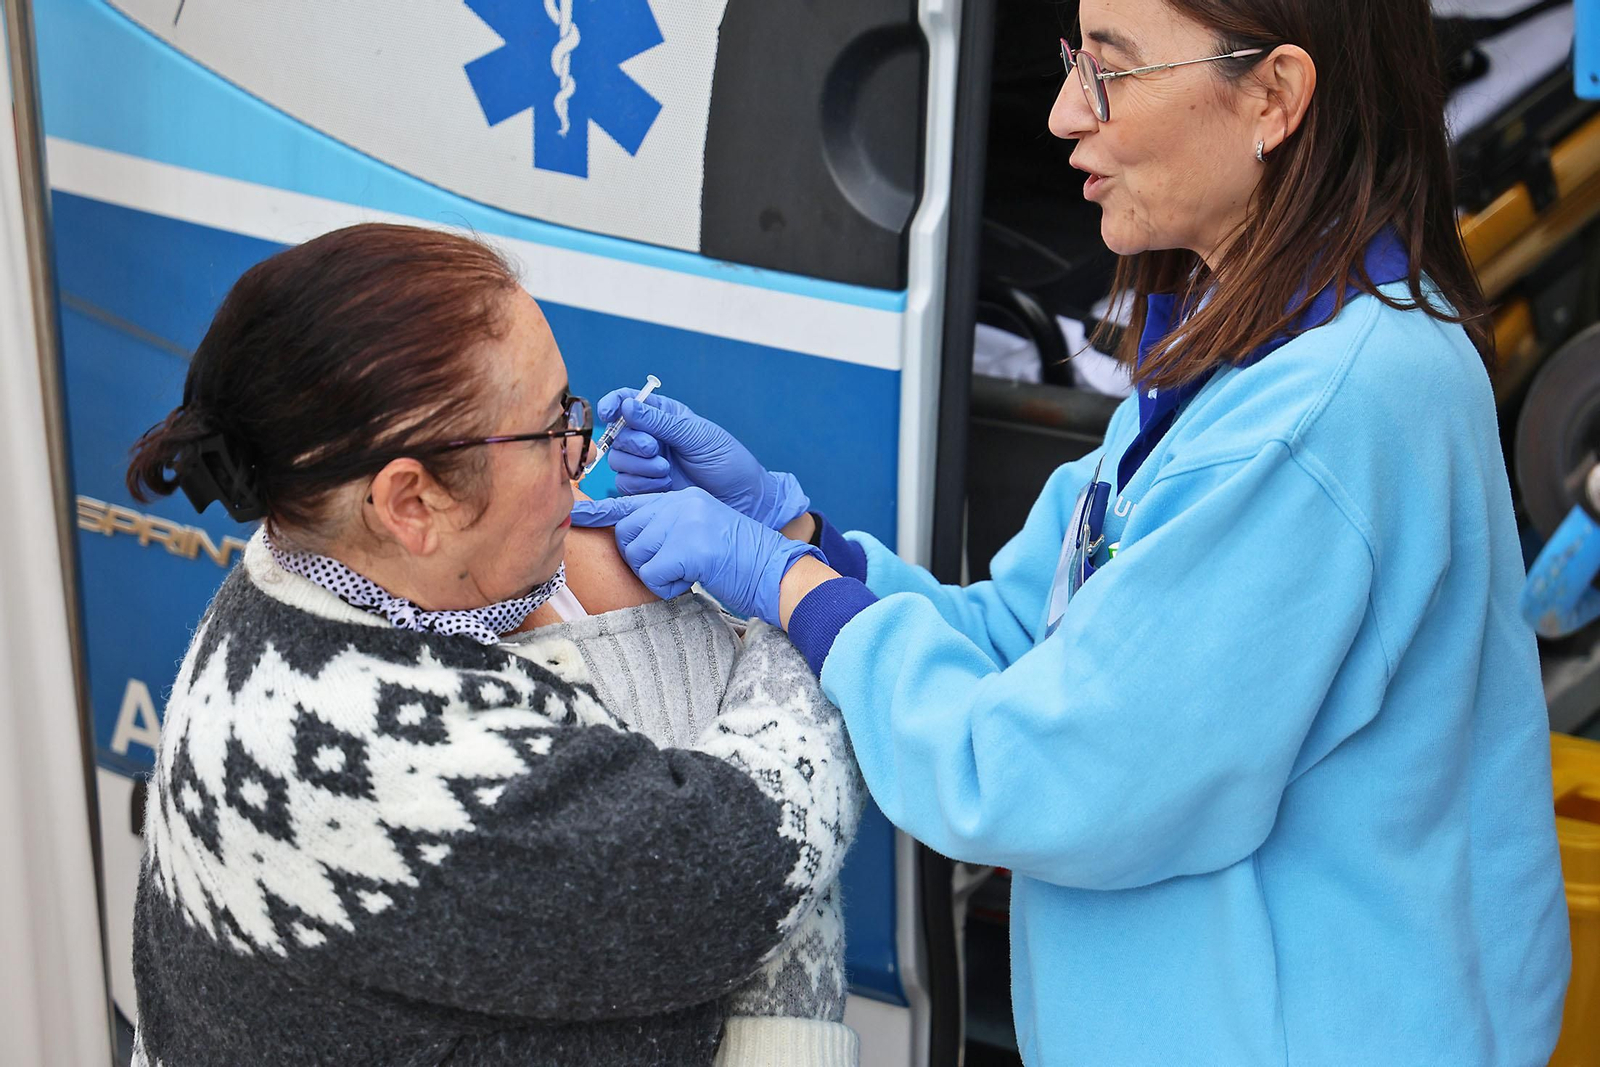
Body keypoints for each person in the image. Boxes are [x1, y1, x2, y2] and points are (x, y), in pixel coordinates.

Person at [571, 0, 1572, 1063]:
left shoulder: (1322, 416)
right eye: (1069, 61)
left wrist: (787, 588)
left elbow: (1034, 773)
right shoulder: (1258, 349)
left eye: (1110, 70)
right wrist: (804, 535)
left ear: (1274, 96)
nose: (1059, 115)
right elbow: (1033, 634)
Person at [123, 222, 862, 1067]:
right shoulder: (387, 758)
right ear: (411, 503)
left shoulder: (300, 569)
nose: (583, 459)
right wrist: (788, 591)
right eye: (550, 432)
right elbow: (754, 855)